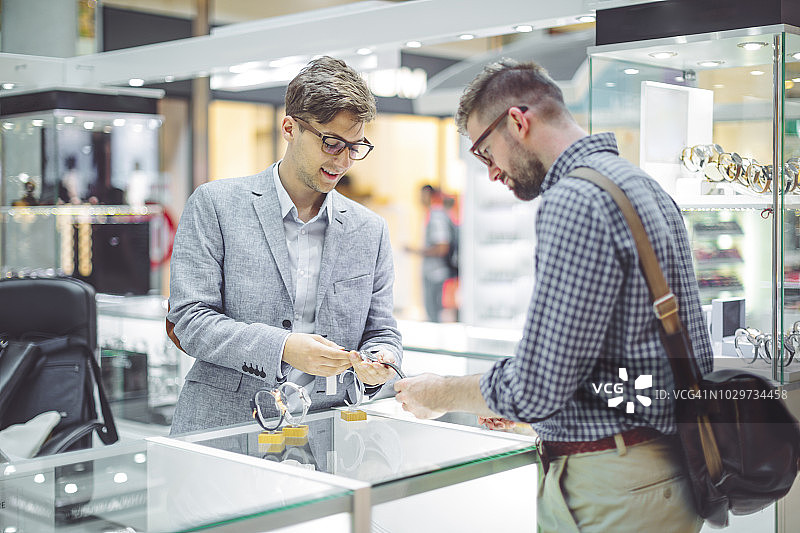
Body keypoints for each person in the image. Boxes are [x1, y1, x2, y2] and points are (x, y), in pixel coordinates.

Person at [394, 58, 713, 533]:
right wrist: (549, 412)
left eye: (485, 153)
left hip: (613, 483)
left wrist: (440, 392)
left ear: (518, 121)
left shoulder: (574, 200)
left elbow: (539, 385)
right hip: (665, 470)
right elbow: (639, 359)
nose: (492, 174)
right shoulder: (640, 186)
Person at [167, 56, 402, 435]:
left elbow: (382, 331)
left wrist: (381, 360)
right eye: (331, 143)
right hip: (224, 428)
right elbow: (191, 321)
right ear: (289, 128)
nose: (343, 161)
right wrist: (283, 347)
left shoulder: (369, 229)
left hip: (330, 435)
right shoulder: (215, 204)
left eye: (355, 147)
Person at [405, 184, 455, 322]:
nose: (420, 199)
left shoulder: (436, 217)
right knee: (431, 312)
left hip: (436, 274)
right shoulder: (429, 215)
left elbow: (442, 247)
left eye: (422, 195)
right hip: (431, 273)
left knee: (435, 314)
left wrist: (416, 250)